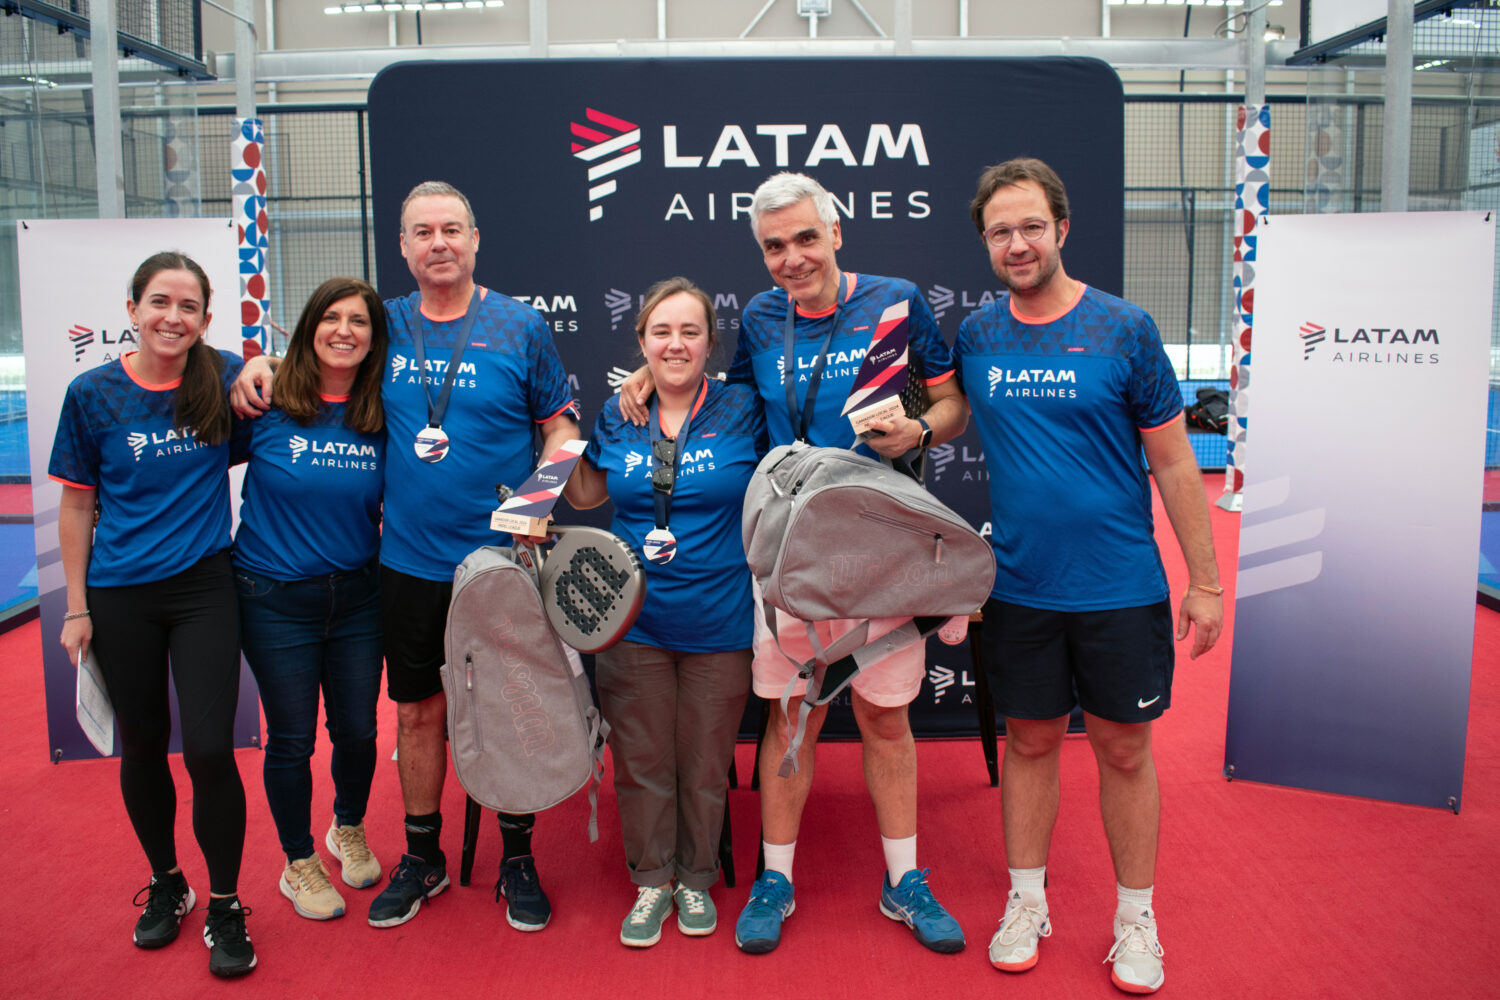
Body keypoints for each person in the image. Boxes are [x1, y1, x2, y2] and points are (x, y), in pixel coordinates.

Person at [620, 172, 970, 955]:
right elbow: (720, 398)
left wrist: (918, 433)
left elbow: (953, 405)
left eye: (806, 238)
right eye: (774, 246)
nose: (791, 257)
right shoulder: (764, 316)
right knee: (790, 722)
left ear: (836, 233)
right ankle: (776, 878)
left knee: (885, 720)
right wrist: (653, 372)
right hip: (787, 556)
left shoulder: (897, 301)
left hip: (884, 548)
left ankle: (903, 880)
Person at [232, 181, 580, 931]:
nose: (439, 243)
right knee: (416, 714)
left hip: (499, 567)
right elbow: (316, 358)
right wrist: (254, 362)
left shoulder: (520, 326)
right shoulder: (383, 326)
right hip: (407, 566)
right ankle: (422, 857)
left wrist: (535, 501)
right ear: (402, 247)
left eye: (452, 228)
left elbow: (563, 426)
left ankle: (517, 857)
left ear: (476, 238)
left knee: (506, 710)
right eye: (422, 232)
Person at [954, 158, 1223, 994]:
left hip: (1121, 588)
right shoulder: (977, 335)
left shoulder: (1125, 329)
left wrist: (1205, 581)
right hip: (1021, 587)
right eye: (1001, 231)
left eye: (1031, 225)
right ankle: (1025, 901)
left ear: (1062, 229)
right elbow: (951, 410)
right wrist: (904, 430)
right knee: (1029, 742)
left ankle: (1136, 917)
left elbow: (1177, 463)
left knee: (1124, 752)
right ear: (987, 244)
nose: (1017, 243)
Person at [49, 251, 257, 978]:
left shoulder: (224, 378)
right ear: (133, 309)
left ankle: (227, 904)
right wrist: (76, 608)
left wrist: (262, 368)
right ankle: (168, 882)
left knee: (207, 749)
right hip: (118, 595)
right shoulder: (93, 394)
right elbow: (77, 504)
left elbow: (285, 387)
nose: (174, 317)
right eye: (160, 302)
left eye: (190, 306)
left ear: (206, 319)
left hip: (204, 588)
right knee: (142, 746)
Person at [565, 278, 767, 948]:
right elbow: (590, 491)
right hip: (632, 623)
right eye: (661, 332)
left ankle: (694, 879)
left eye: (689, 332)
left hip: (719, 622)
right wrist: (553, 449)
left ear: (711, 342)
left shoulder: (744, 408)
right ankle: (652, 882)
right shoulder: (620, 412)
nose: (675, 344)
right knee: (643, 760)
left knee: (706, 762)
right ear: (641, 341)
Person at [232, 277, 389, 921]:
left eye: (359, 320)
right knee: (292, 740)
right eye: (331, 317)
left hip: (357, 598)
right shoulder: (265, 401)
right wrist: (250, 363)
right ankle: (298, 860)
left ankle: (345, 826)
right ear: (308, 327)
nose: (344, 330)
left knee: (356, 730)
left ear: (374, 339)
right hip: (272, 598)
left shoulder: (384, 412)